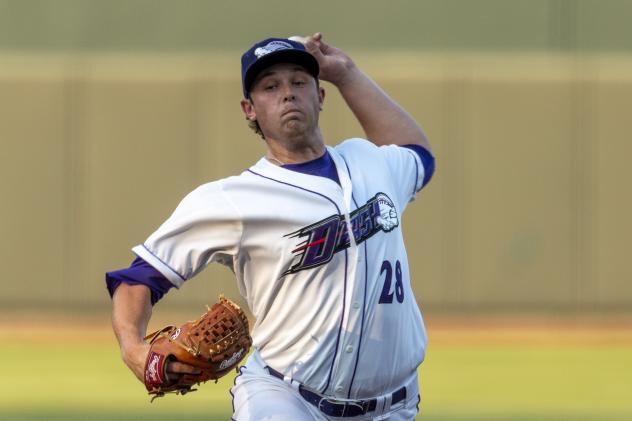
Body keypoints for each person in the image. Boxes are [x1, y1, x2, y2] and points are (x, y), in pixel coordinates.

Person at [106, 33, 435, 420]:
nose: (288, 93)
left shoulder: (370, 162)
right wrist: (132, 347)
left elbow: (418, 154)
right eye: (270, 86)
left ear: (321, 96)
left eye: (299, 81)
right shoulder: (233, 198)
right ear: (249, 108)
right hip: (284, 397)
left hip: (393, 406)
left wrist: (346, 75)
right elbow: (140, 277)